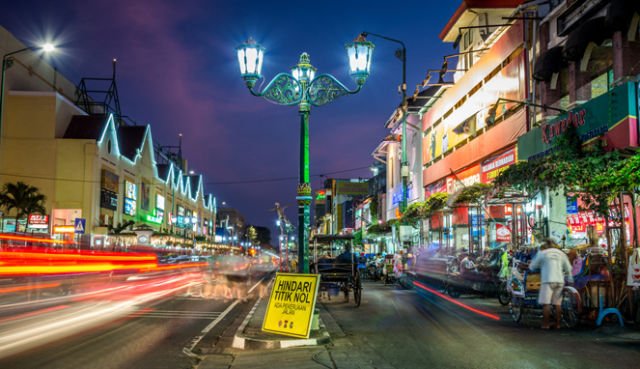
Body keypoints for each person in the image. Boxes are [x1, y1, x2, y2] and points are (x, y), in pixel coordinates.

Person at [529, 239, 573, 329]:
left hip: (547, 280)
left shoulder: (543, 253)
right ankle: (558, 324)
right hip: (559, 280)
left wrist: (538, 267)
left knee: (546, 304)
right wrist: (570, 279)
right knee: (558, 304)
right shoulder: (561, 254)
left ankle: (545, 324)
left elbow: (532, 266)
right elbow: (568, 268)